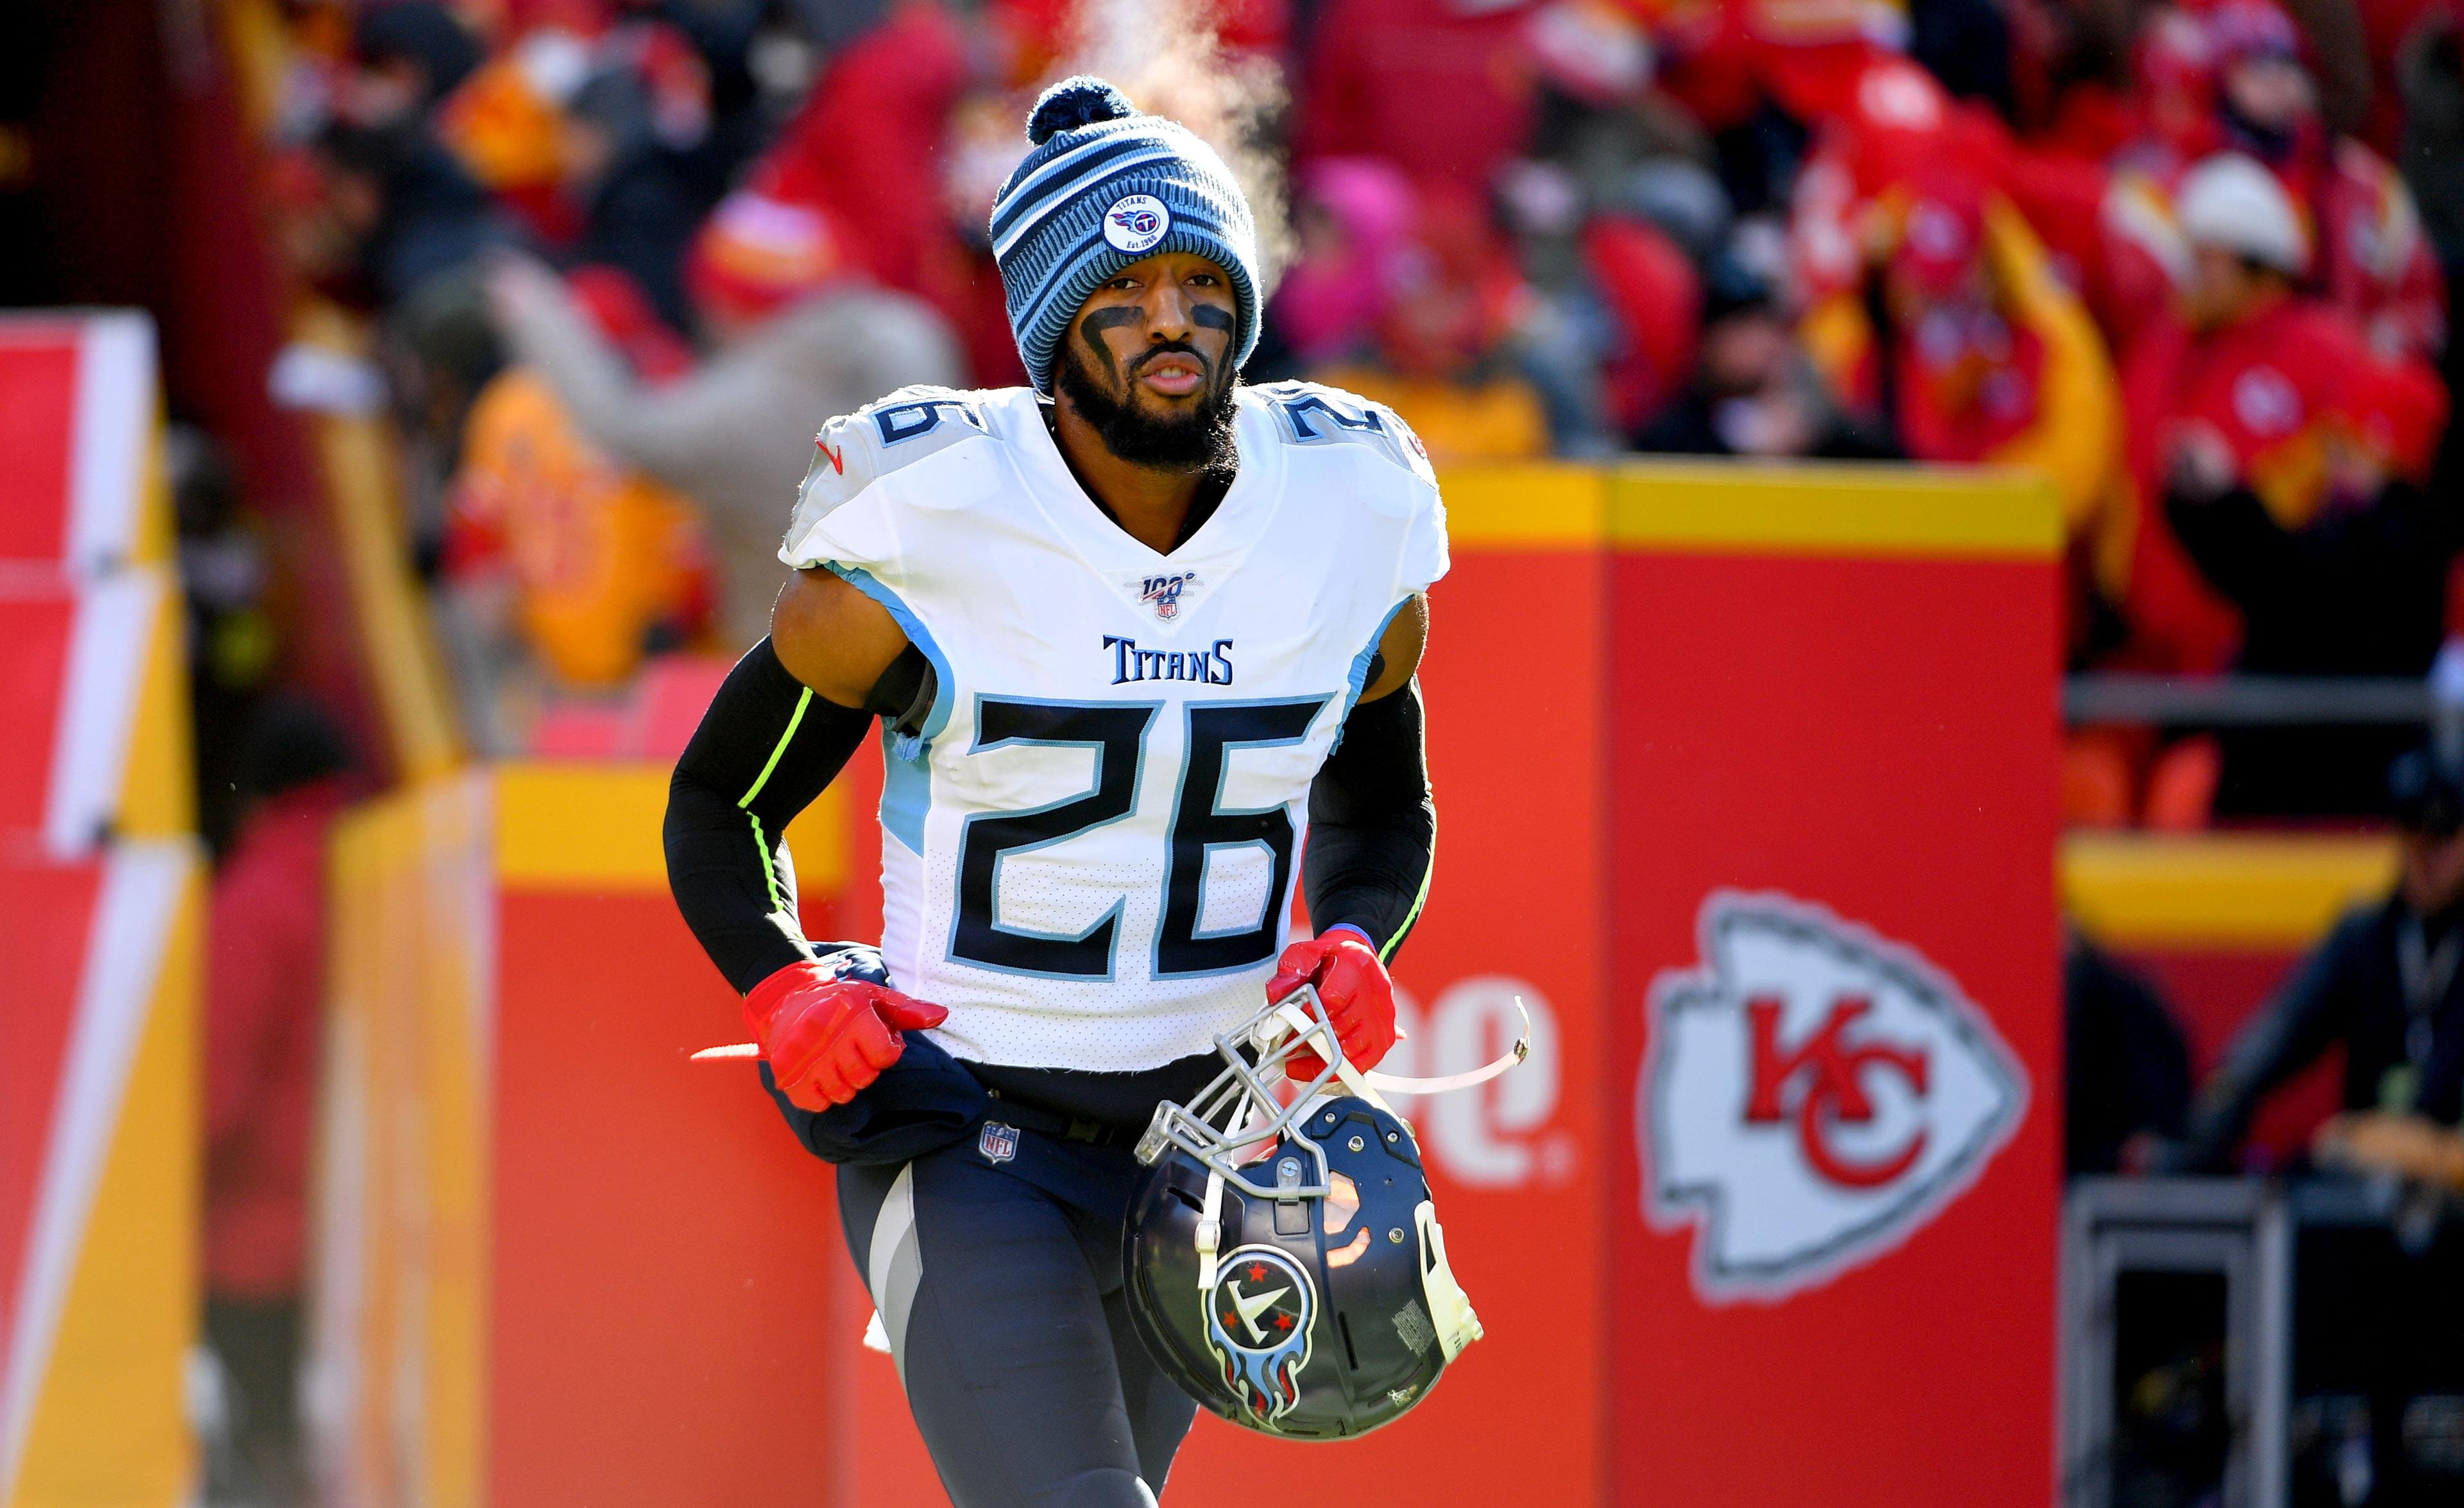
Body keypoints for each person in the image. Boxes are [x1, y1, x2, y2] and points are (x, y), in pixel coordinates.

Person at [661, 78, 1444, 1505]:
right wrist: (788, 993)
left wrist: (1355, 936)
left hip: (1203, 1155)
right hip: (971, 1137)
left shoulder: (1346, 509)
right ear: (1047, 328)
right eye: (1125, 286)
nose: (1172, 319)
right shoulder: (930, 525)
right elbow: (722, 803)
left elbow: (1384, 804)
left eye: (1202, 281)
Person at [203, 698, 356, 1508]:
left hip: (253, 1236)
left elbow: (216, 1088)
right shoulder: (374, 872)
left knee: (263, 1444)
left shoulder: (258, 897)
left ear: (259, 796)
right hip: (359, 1237)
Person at [2173, 744, 2464, 1169]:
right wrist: (2226, 1091)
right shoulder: (2368, 937)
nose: (2425, 856)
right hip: (2369, 1188)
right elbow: (2277, 1036)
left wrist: (2420, 1150)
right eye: (2412, 833)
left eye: (2441, 836)